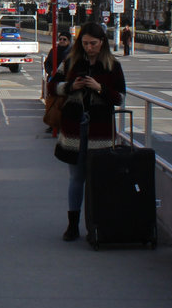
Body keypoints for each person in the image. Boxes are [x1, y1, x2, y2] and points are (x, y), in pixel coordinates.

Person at [47, 22, 126, 242]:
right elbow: (52, 86)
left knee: (98, 178)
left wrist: (99, 88)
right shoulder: (71, 61)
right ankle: (73, 225)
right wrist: (71, 86)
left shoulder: (112, 66)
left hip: (100, 128)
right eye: (85, 43)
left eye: (93, 43)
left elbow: (121, 98)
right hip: (74, 126)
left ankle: (97, 225)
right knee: (76, 177)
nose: (89, 47)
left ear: (102, 43)